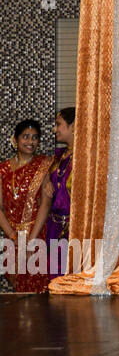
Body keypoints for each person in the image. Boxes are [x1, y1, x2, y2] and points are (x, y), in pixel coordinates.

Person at [1, 119, 55, 293]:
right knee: (19, 289)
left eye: (35, 138)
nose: (31, 142)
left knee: (37, 290)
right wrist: (12, 236)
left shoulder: (43, 165)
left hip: (37, 234)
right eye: (25, 137)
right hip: (12, 237)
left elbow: (46, 204)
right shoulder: (2, 170)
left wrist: (31, 241)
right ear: (15, 140)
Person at [39, 108, 75, 279]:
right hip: (54, 227)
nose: (55, 129)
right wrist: (47, 183)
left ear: (74, 126)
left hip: (74, 230)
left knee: (72, 277)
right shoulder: (58, 156)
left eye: (58, 124)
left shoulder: (87, 158)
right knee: (54, 278)